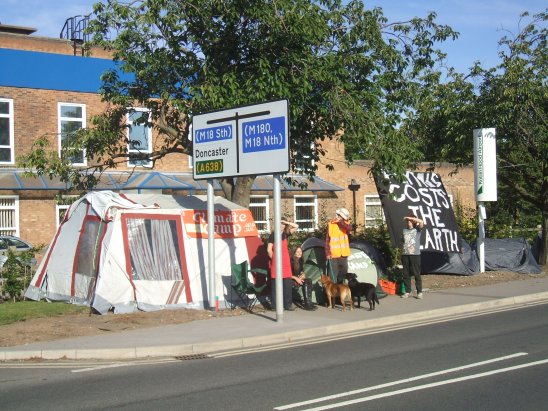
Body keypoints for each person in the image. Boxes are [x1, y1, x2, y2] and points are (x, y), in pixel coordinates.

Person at [267, 220, 299, 311]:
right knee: (275, 284)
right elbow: (269, 250)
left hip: (285, 261)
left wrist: (286, 222)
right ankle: (274, 305)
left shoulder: (286, 234)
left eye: (283, 225)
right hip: (276, 261)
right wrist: (274, 259)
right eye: (280, 224)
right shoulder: (273, 235)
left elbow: (296, 226)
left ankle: (288, 304)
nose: (282, 226)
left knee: (287, 283)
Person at [401, 212, 425, 299]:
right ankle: (407, 291)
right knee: (406, 274)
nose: (408, 222)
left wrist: (410, 217)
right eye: (407, 221)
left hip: (415, 255)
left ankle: (419, 292)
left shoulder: (417, 230)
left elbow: (422, 222)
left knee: (416, 273)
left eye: (410, 221)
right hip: (405, 254)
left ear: (413, 221)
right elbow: (403, 242)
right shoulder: (404, 230)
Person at [325, 208, 352, 283]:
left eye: (343, 218)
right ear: (338, 215)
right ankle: (332, 293)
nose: (342, 219)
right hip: (333, 256)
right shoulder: (330, 224)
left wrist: (340, 222)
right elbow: (327, 240)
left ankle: (340, 291)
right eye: (341, 217)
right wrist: (327, 253)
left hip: (344, 255)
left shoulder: (346, 224)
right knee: (332, 276)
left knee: (343, 274)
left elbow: (349, 228)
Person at [290, 246, 317, 311]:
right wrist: (296, 278)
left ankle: (308, 302)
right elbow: (287, 274)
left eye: (300, 251)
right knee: (305, 282)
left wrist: (302, 275)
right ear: (294, 253)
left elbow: (301, 271)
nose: (300, 253)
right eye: (297, 252)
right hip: (290, 279)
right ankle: (307, 305)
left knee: (308, 280)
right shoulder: (291, 261)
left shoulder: (301, 260)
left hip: (297, 278)